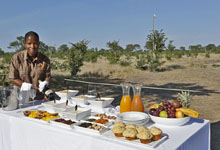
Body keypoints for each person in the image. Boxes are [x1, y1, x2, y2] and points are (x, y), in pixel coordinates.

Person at [8, 31, 51, 100]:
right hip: (21, 98)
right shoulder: (17, 58)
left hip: (39, 99)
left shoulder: (45, 60)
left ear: (39, 44)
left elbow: (47, 78)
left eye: (35, 43)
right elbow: (13, 78)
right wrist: (29, 86)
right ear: (25, 44)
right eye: (29, 43)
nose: (32, 46)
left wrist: (45, 84)